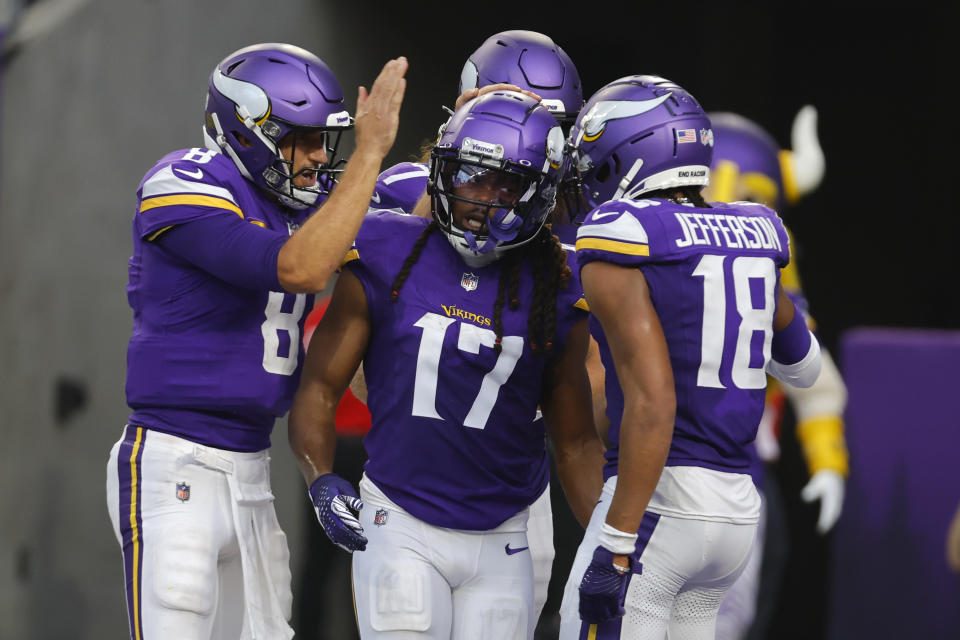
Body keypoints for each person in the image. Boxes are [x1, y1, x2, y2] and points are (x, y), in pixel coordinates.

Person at [105, 43, 407, 640]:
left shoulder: (307, 202)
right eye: (305, 139)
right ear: (250, 132)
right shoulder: (185, 180)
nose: (321, 158)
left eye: (328, 140)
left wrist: (485, 126)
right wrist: (370, 151)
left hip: (252, 468)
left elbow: (415, 225)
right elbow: (297, 269)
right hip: (173, 459)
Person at [288, 90, 605, 640]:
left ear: (541, 193)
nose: (482, 200)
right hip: (400, 520)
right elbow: (319, 386)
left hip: (503, 534)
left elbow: (575, 441)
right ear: (441, 173)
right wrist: (321, 478)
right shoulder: (385, 247)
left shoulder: (558, 285)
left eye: (505, 184)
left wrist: (612, 544)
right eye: (469, 177)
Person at [557, 75, 823, 640]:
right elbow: (804, 367)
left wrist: (617, 544)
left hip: (660, 502)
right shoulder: (756, 229)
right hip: (735, 511)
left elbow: (654, 403)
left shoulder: (621, 232)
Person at [704, 109, 848, 640]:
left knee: (733, 616)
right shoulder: (635, 265)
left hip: (741, 475)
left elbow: (814, 380)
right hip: (649, 470)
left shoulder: (772, 288)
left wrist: (828, 457)